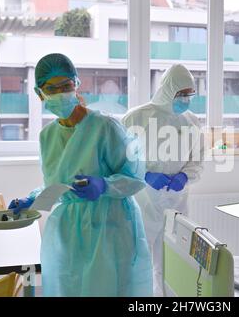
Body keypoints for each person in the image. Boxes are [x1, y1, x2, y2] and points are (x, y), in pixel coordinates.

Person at [9, 53, 152, 297]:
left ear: (76, 84)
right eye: (51, 88)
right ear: (39, 93)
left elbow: (136, 177)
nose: (60, 93)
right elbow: (56, 184)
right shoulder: (47, 136)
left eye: (66, 85)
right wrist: (33, 199)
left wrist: (105, 186)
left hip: (110, 227)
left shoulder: (105, 127)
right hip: (69, 232)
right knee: (70, 287)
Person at [122, 64, 204, 296]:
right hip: (143, 202)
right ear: (168, 90)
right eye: (182, 94)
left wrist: (185, 176)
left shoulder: (192, 121)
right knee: (138, 263)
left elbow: (197, 160)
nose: (186, 99)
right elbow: (120, 161)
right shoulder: (136, 117)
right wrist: (144, 175)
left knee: (173, 264)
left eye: (190, 94)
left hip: (177, 202)